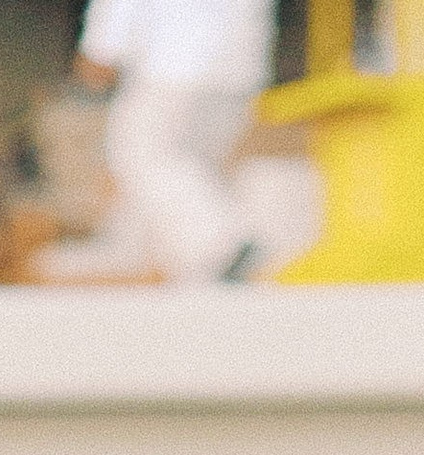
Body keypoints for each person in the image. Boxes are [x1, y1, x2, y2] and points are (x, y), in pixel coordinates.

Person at [66, 0, 273, 284]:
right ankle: (186, 270)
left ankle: (224, 244)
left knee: (142, 154)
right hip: (239, 67)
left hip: (172, 64)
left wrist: (101, 48)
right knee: (196, 167)